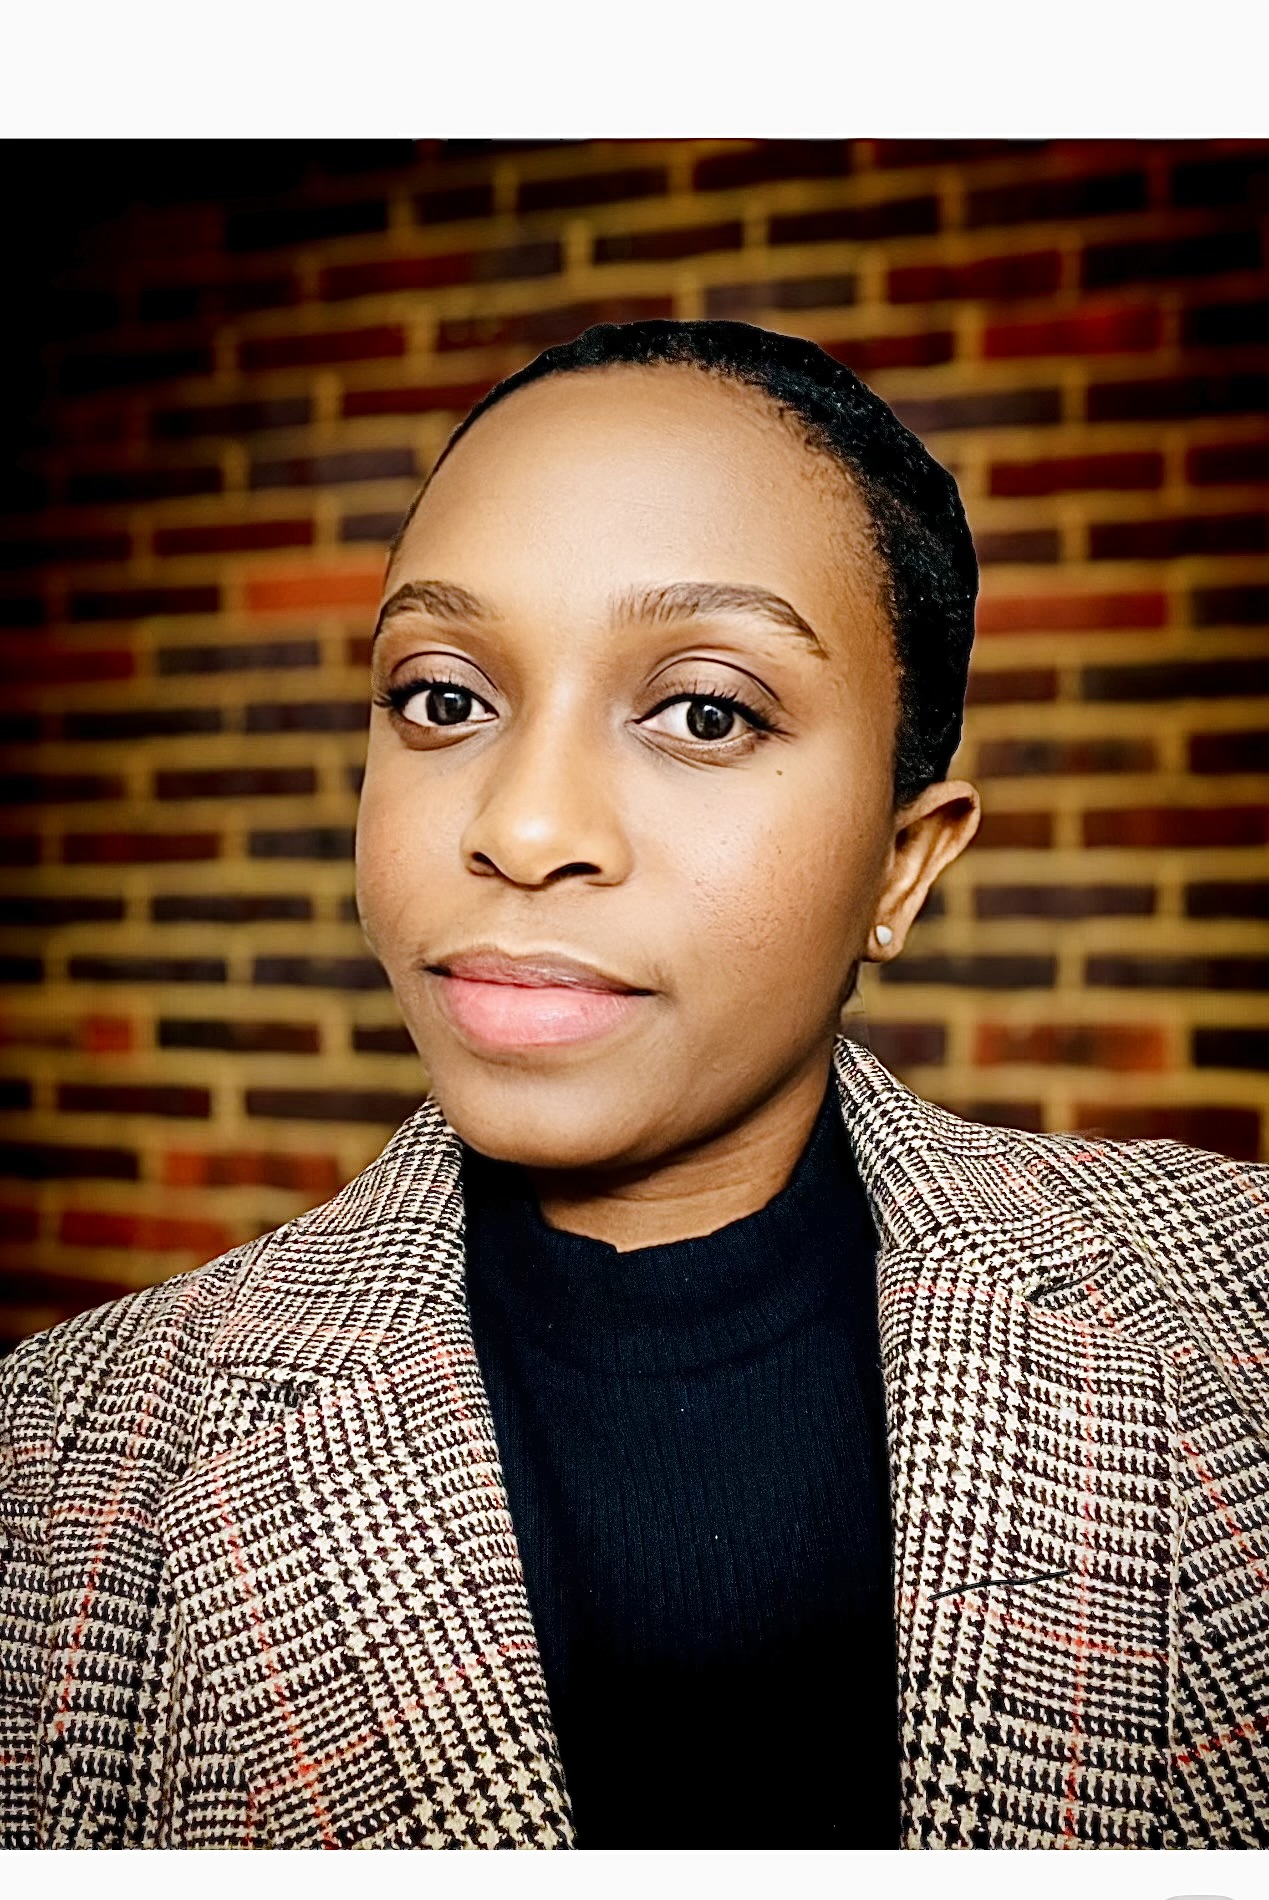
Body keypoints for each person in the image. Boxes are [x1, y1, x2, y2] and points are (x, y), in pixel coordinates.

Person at [1, 320, 1265, 1852]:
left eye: (706, 711)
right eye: (444, 697)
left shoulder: (1230, 1309)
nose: (524, 829)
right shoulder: (54, 1468)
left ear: (903, 860)